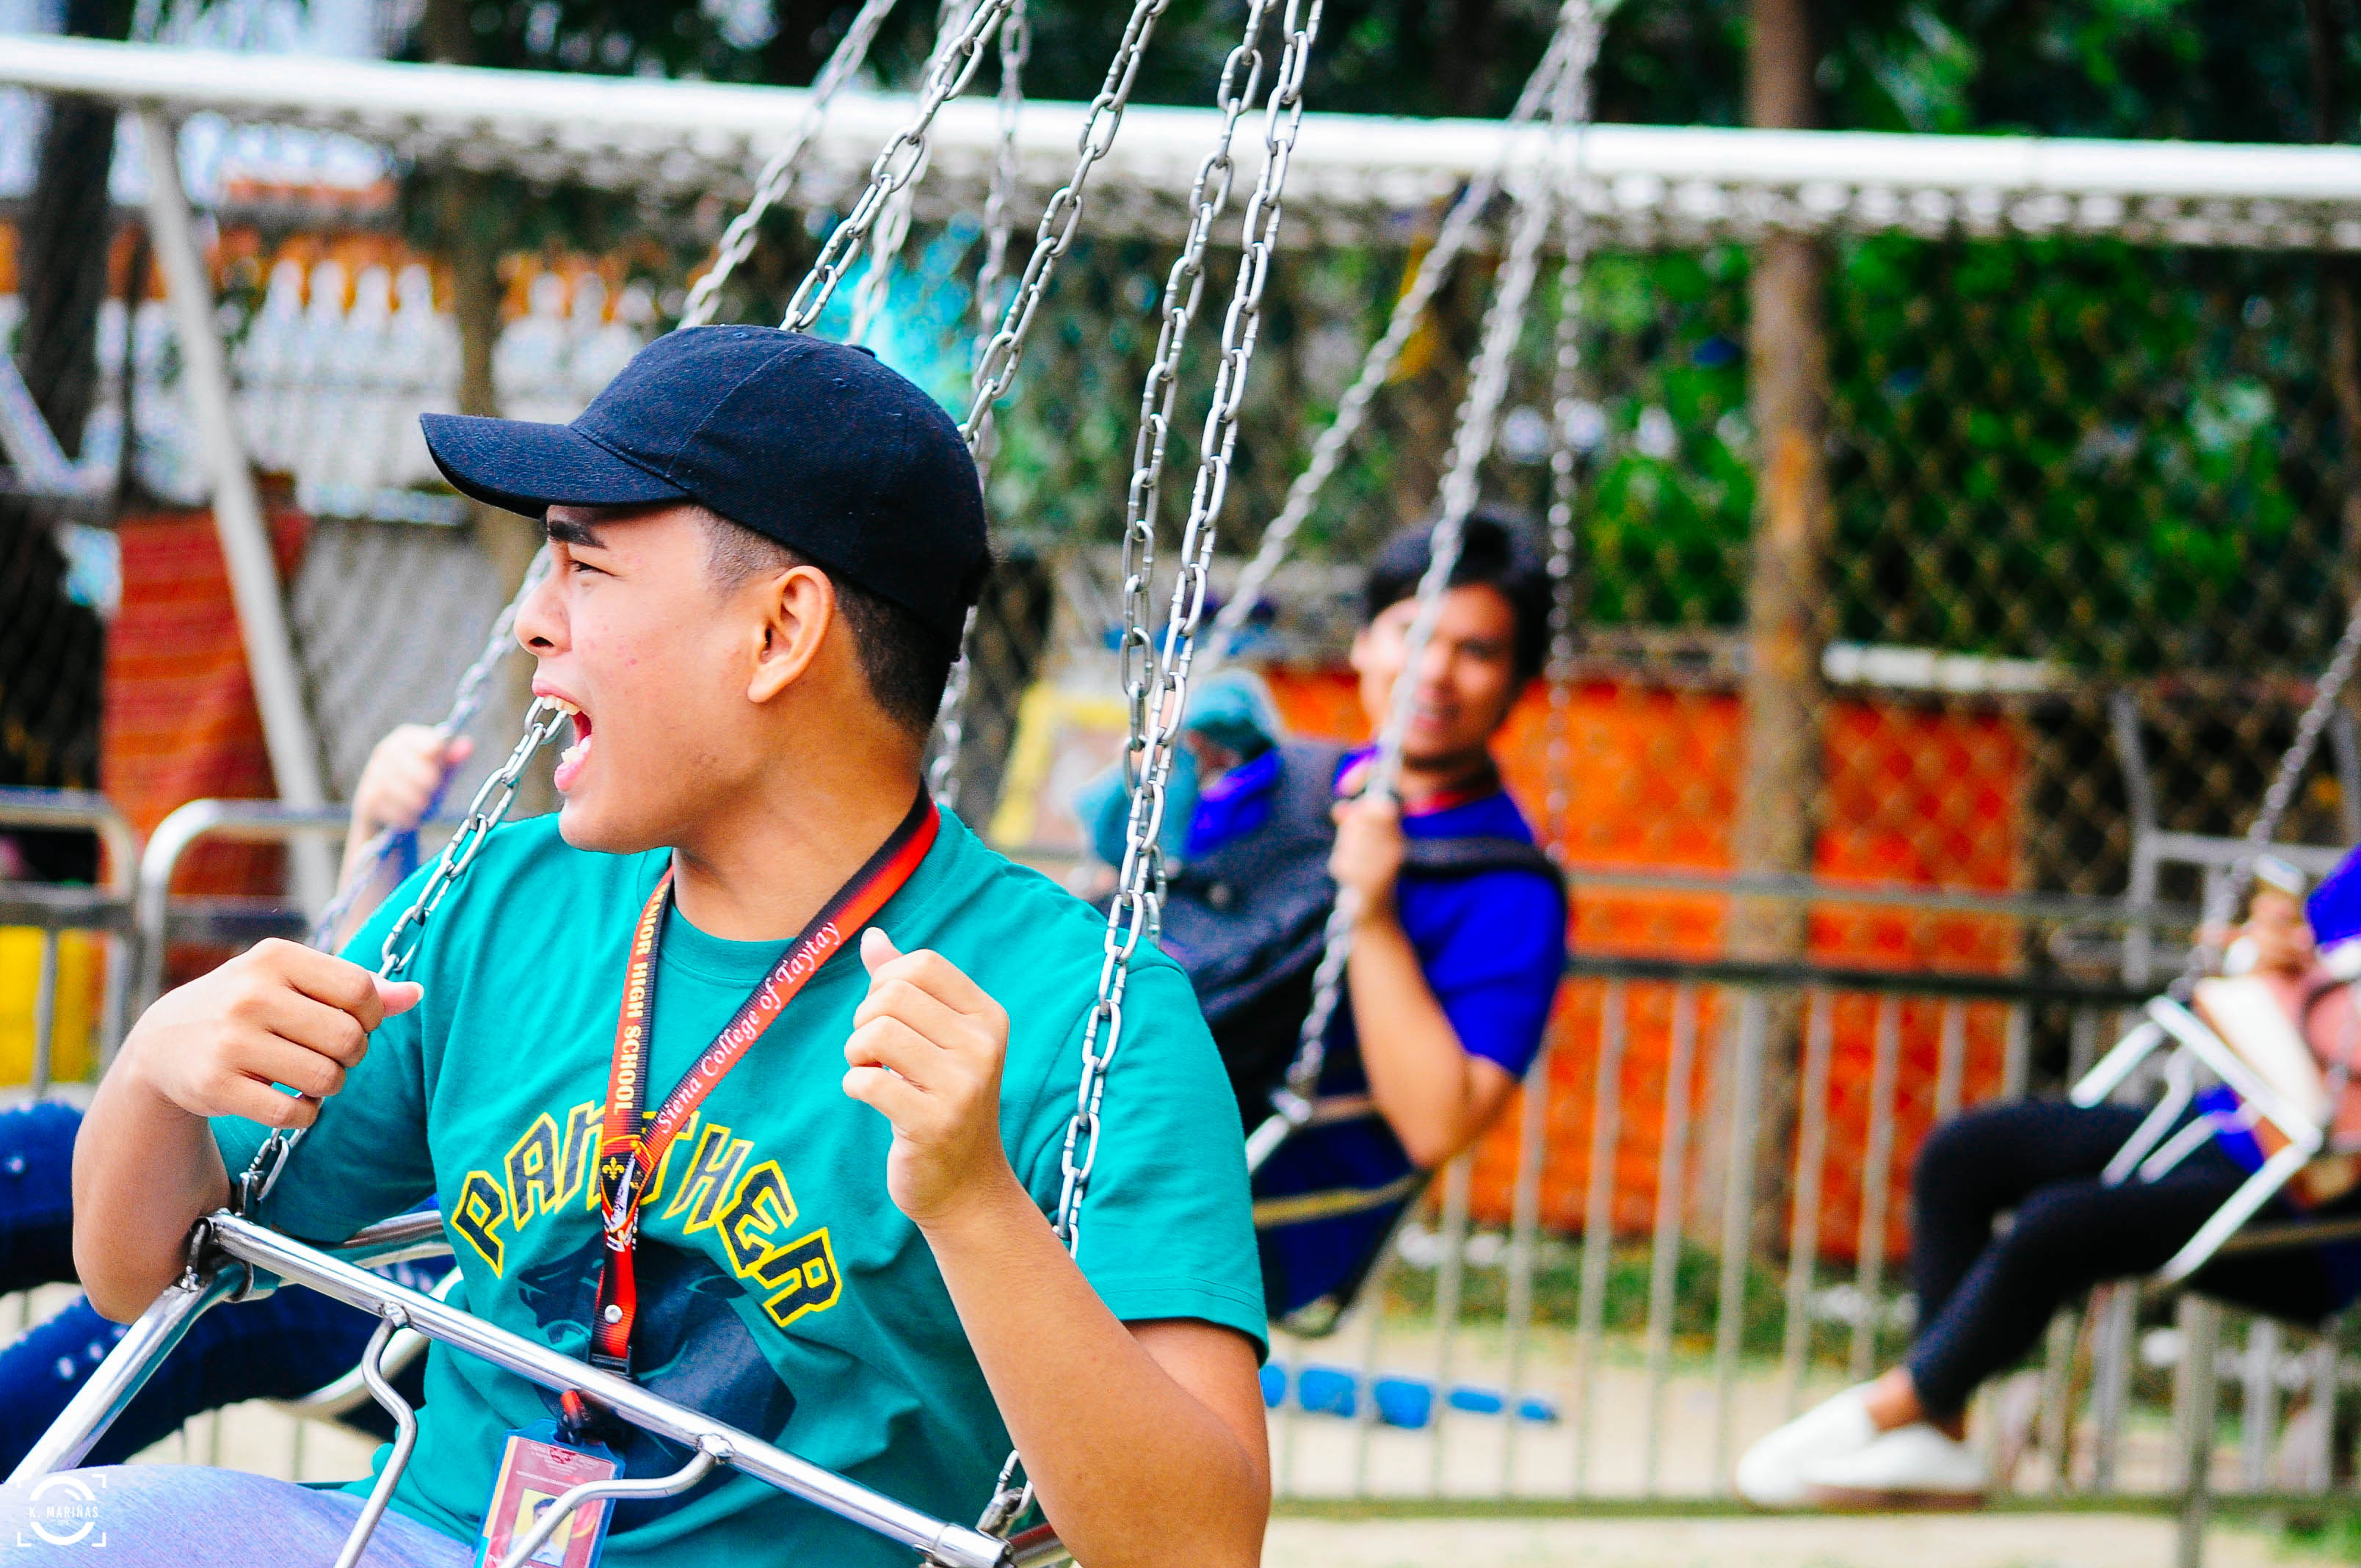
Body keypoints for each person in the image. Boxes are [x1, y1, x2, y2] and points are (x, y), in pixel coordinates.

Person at [47, 327, 1269, 1567]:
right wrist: (155, 1075)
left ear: (780, 631)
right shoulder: (503, 900)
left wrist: (973, 1206)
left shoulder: (1085, 1016)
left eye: (584, 566)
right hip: (412, 1537)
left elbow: (1200, 1549)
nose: (531, 622)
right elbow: (135, 1272)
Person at [1737, 854, 2361, 1509]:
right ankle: (1935, 1437)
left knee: (2061, 1222)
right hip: (2232, 1130)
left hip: (2320, 1214)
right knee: (1966, 1155)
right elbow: (2294, 972)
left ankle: (1885, 1411)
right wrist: (2268, 955)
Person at [1084, 512, 1569, 1326]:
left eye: (1476, 651)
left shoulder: (1507, 889)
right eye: (1411, 633)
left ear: (1517, 681)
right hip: (1116, 1121)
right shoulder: (1288, 780)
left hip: (1255, 1203)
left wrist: (1374, 917)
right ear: (1363, 645)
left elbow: (1435, 1125)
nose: (1435, 673)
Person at [0, 725, 467, 1470]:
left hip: (445, 1291)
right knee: (49, 1147)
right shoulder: (549, 892)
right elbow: (367, 1022)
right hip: (366, 1216)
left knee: (203, 1296)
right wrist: (384, 837)